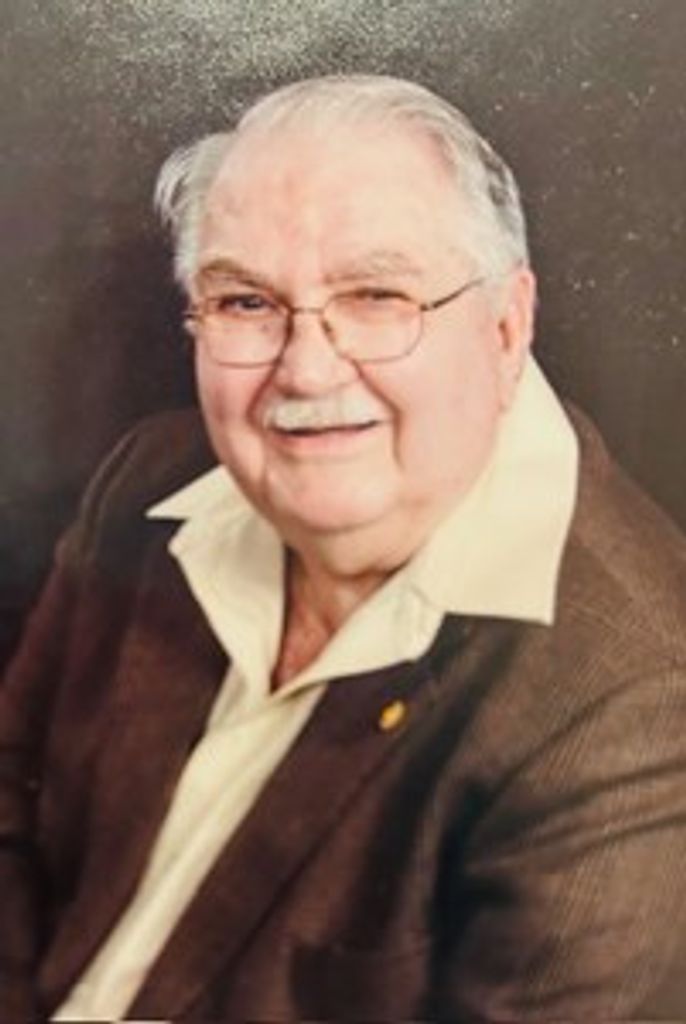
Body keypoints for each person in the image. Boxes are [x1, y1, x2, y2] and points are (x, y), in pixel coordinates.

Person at [1, 74, 686, 1022]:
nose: (308, 369)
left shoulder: (634, 709)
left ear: (506, 327)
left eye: (375, 296)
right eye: (246, 302)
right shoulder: (150, 481)